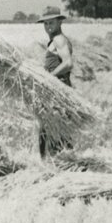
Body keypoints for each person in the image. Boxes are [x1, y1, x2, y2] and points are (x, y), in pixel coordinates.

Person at [36, 9, 74, 157]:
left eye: (51, 22)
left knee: (54, 129)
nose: (48, 26)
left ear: (59, 22)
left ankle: (55, 164)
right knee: (50, 129)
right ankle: (53, 163)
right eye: (45, 23)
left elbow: (68, 63)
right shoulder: (54, 41)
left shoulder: (59, 39)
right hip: (54, 89)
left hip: (59, 90)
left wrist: (49, 77)